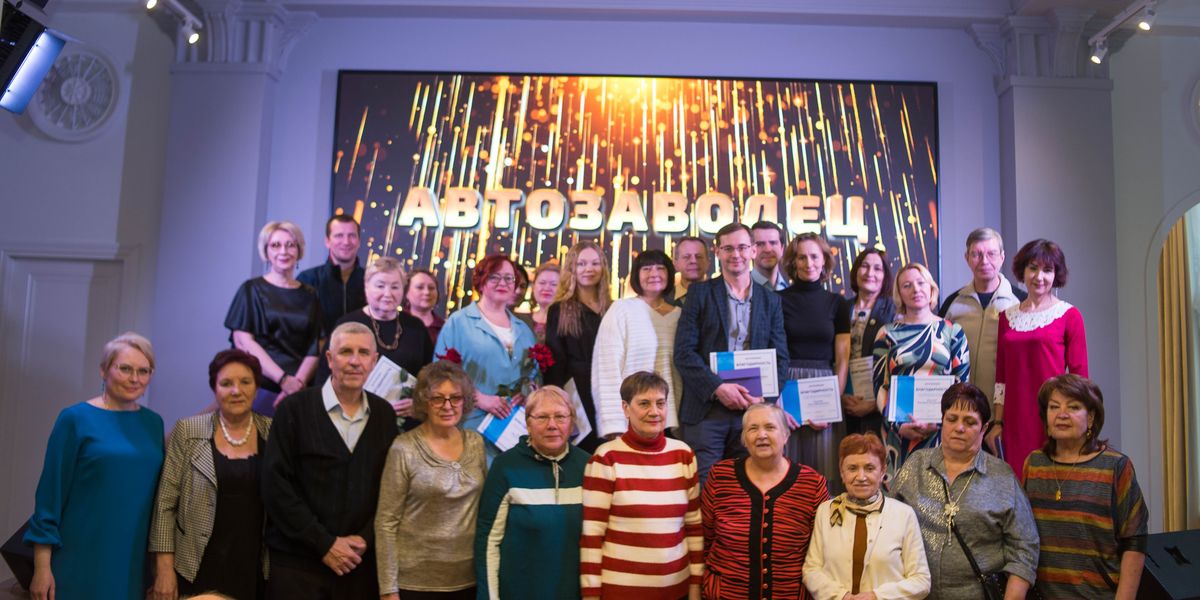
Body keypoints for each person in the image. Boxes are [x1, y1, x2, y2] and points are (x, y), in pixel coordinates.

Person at [261, 322, 398, 599]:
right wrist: (324, 544)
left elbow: (389, 488)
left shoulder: (384, 415)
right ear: (329, 358)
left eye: (363, 353)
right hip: (298, 566)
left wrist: (366, 538)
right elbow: (275, 487)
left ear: (374, 361)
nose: (355, 361)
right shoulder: (293, 409)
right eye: (345, 351)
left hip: (357, 565)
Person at [26, 333, 165, 600]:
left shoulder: (153, 423)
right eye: (125, 368)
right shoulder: (75, 419)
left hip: (133, 563)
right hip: (80, 559)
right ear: (104, 370)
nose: (135, 378)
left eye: (143, 371)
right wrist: (42, 568)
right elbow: (49, 498)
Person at [890, 383, 1039, 600]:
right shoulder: (916, 464)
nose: (959, 428)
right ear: (942, 420)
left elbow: (1025, 547)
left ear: (984, 428)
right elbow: (887, 524)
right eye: (952, 419)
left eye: (970, 422)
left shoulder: (1002, 476)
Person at [149, 349, 273, 600]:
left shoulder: (274, 432)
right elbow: (165, 505)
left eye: (245, 382)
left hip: (253, 568)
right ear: (214, 389)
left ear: (256, 387)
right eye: (226, 383)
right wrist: (164, 570)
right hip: (194, 567)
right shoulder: (187, 431)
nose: (236, 391)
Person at [675, 222, 789, 483]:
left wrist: (765, 397)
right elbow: (683, 353)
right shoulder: (699, 294)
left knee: (749, 488)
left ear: (752, 251)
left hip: (753, 411)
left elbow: (781, 358)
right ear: (717, 252)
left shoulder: (771, 300)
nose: (735, 254)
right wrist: (718, 388)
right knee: (706, 488)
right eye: (728, 248)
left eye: (742, 247)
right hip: (706, 411)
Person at [580, 372, 703, 600]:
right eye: (644, 403)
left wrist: (696, 586)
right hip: (620, 593)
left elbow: (694, 527)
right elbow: (592, 536)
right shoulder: (606, 458)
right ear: (626, 408)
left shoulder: (683, 455)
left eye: (660, 403)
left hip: (677, 591)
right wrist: (591, 595)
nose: (654, 412)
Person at [1023, 374, 1147, 599]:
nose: (1061, 414)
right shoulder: (1034, 464)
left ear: (1090, 418)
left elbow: (1134, 542)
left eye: (1073, 407)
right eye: (1054, 407)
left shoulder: (1116, 466)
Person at [376, 360, 487, 599]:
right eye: (437, 398)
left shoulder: (475, 443)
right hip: (415, 583)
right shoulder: (403, 448)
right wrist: (388, 590)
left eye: (455, 398)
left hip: (469, 579)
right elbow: (386, 523)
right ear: (424, 401)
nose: (447, 406)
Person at [701, 403, 829, 599]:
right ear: (744, 439)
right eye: (753, 429)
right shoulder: (720, 477)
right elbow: (705, 538)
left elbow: (821, 551)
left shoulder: (812, 484)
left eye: (770, 427)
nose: (761, 435)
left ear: (786, 435)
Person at [474, 386, 590, 600]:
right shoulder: (505, 467)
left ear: (572, 421)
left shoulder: (589, 466)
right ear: (527, 423)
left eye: (560, 416)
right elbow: (488, 542)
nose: (552, 425)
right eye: (542, 417)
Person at [994, 239, 1088, 476]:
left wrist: (1075, 422)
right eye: (1033, 268)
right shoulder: (1006, 317)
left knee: (1050, 481)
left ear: (1056, 274)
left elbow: (1080, 377)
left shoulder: (1069, 315)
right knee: (1017, 482)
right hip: (1015, 417)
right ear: (1023, 271)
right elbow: (1001, 379)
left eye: (1047, 270)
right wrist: (997, 422)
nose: (1039, 277)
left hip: (1053, 415)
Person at [872, 262, 970, 482]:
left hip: (943, 432)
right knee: (899, 495)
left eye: (920, 283)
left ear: (931, 288)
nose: (915, 289)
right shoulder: (886, 334)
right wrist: (898, 425)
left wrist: (942, 422)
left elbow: (962, 385)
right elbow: (879, 387)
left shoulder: (953, 332)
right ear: (899, 294)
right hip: (898, 434)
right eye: (907, 285)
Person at [803, 433, 930, 600]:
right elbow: (811, 570)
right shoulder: (826, 511)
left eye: (869, 468)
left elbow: (921, 581)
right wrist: (842, 596)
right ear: (842, 472)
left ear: (882, 471)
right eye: (852, 468)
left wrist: (876, 596)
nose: (861, 477)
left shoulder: (904, 514)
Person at [434, 254, 537, 459]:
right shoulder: (459, 322)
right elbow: (440, 374)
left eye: (509, 278)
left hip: (512, 431)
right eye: (494, 277)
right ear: (480, 282)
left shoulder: (524, 329)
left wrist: (530, 391)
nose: (503, 283)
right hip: (470, 425)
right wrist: (478, 398)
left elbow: (534, 373)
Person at [225, 220, 322, 416]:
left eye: (290, 245)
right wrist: (283, 380)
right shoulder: (251, 290)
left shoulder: (310, 294)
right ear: (266, 251)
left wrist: (297, 383)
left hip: (300, 391)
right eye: (276, 245)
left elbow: (316, 345)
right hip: (260, 388)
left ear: (299, 250)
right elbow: (244, 342)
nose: (283, 251)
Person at [778, 232, 851, 491]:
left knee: (824, 469)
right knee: (787, 467)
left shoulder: (838, 303)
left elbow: (842, 359)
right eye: (801, 257)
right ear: (793, 262)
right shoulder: (777, 300)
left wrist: (832, 405)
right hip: (787, 387)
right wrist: (778, 404)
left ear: (824, 261)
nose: (808, 263)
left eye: (814, 256)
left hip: (824, 387)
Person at [591, 249, 681, 439]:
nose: (654, 274)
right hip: (632, 419)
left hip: (672, 420)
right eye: (646, 269)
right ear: (636, 276)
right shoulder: (621, 309)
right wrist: (614, 423)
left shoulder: (680, 315)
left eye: (660, 268)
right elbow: (606, 368)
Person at [334, 257, 432, 429]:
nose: (388, 294)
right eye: (380, 286)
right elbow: (329, 378)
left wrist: (418, 403)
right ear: (366, 287)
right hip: (355, 422)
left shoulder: (416, 328)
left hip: (407, 426)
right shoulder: (347, 325)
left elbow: (429, 377)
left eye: (395, 287)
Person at [939, 228, 1025, 412]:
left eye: (991, 254)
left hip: (1005, 409)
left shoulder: (1021, 303)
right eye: (976, 254)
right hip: (961, 410)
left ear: (1002, 257)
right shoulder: (952, 304)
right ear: (967, 258)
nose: (984, 261)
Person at [545, 241, 611, 451]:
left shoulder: (613, 309)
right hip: (575, 395)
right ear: (572, 268)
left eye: (595, 263)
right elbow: (555, 362)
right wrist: (557, 401)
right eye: (581, 264)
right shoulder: (560, 310)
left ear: (603, 268)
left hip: (608, 393)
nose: (588, 269)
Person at [843, 248, 896, 437]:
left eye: (877, 268)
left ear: (885, 276)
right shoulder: (842, 308)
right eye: (864, 266)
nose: (869, 273)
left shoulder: (894, 310)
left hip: (878, 405)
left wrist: (875, 403)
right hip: (845, 402)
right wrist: (839, 396)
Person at [298, 214, 366, 340]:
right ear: (327, 241)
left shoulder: (370, 280)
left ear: (359, 242)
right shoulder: (308, 279)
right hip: (321, 351)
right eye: (339, 235)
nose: (346, 242)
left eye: (352, 236)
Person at [516, 261, 560, 344]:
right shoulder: (520, 320)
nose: (547, 288)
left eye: (554, 284)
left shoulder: (568, 324)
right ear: (533, 287)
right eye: (542, 283)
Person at [405, 269, 447, 343]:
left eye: (431, 288)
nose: (427, 292)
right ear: (406, 292)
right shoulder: (395, 324)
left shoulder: (446, 328)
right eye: (420, 287)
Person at [750, 221, 789, 291]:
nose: (767, 250)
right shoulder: (737, 289)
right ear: (750, 250)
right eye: (760, 244)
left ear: (782, 248)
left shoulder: (793, 290)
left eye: (773, 243)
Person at [672, 235, 711, 304]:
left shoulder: (723, 297)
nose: (693, 261)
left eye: (699, 257)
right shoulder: (662, 300)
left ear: (708, 262)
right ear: (675, 263)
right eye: (686, 257)